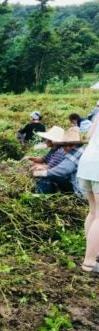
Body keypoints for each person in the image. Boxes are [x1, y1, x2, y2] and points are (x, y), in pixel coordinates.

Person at [33, 127, 86, 195]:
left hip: (79, 188)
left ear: (77, 144)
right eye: (64, 145)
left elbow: (62, 170)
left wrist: (40, 173)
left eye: (71, 145)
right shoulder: (77, 150)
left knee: (48, 177)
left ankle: (41, 197)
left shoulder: (76, 152)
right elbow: (45, 159)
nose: (67, 147)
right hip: (77, 182)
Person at [76, 114, 99, 273]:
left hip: (87, 161)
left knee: (93, 212)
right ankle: (89, 262)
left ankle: (94, 252)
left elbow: (90, 134)